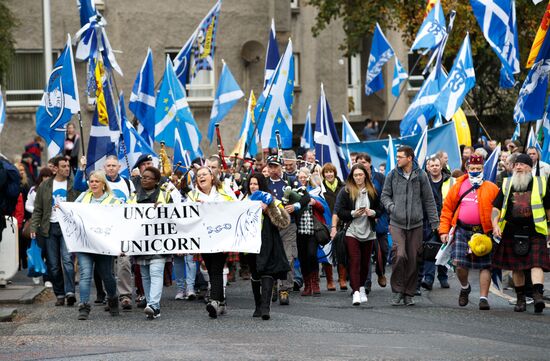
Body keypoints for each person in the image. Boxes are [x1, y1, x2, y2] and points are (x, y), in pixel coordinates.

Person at [492, 154, 550, 314]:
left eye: (522, 165)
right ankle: (520, 299)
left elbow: (548, 208)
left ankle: (538, 296)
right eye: (516, 164)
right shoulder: (507, 184)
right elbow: (496, 207)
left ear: (530, 168)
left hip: (535, 230)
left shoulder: (540, 183)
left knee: (536, 264)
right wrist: (495, 224)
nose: (518, 167)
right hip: (511, 230)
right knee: (516, 268)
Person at [439, 154, 499, 310]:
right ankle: (465, 287)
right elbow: (447, 209)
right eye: (472, 168)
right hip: (461, 230)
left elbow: (499, 210)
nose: (475, 171)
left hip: (483, 232)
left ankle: (483, 298)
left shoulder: (492, 188)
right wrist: (443, 231)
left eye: (478, 168)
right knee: (459, 265)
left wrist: (497, 228)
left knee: (485, 266)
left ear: (483, 169)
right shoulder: (458, 186)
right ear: (467, 168)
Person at [381, 146, 438, 306]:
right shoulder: (392, 175)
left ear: (409, 158)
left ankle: (409, 293)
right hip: (397, 223)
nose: (397, 159)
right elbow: (384, 195)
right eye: (397, 156)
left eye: (400, 156)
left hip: (416, 224)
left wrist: (435, 223)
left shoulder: (421, 175)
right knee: (399, 256)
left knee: (413, 259)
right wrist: (392, 207)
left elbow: (428, 200)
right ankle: (398, 291)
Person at [30, 156, 80, 306]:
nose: (67, 168)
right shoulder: (45, 186)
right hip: (49, 227)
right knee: (53, 263)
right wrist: (34, 226)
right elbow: (38, 209)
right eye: (63, 166)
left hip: (67, 227)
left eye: (68, 166)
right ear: (56, 169)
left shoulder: (73, 184)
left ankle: (70, 291)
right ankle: (59, 294)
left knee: (67, 260)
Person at [187, 166, 235, 318]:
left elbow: (235, 206)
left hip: (222, 235)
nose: (200, 177)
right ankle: (220, 302)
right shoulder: (192, 195)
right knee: (210, 267)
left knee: (217, 267)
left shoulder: (224, 191)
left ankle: (214, 301)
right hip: (204, 238)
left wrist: (211, 205)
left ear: (212, 177)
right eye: (198, 175)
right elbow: (185, 213)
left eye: (204, 174)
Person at [242, 173, 290, 319]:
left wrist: (268, 208)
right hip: (250, 243)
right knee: (255, 273)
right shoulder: (244, 201)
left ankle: (265, 308)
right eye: (251, 184)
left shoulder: (272, 200)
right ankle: (257, 305)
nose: (253, 187)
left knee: (267, 271)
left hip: (268, 242)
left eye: (256, 184)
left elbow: (283, 221)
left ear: (261, 185)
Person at [74, 170, 120, 320]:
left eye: (96, 181)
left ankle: (113, 299)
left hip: (103, 245)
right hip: (85, 244)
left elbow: (122, 220)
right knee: (85, 275)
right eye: (91, 181)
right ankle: (84, 306)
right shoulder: (83, 197)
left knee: (107, 275)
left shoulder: (113, 201)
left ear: (103, 184)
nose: (93, 184)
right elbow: (71, 212)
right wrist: (60, 209)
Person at [127, 166, 172, 320]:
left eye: (148, 177)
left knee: (156, 272)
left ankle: (153, 305)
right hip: (141, 241)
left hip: (159, 241)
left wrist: (163, 209)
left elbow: (175, 214)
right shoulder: (134, 196)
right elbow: (126, 214)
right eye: (142, 177)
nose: (144, 179)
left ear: (157, 181)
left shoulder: (165, 195)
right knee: (145, 274)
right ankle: (152, 305)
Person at [266, 155, 310, 304]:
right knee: (270, 257)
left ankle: (285, 289)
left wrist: (295, 206)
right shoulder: (264, 184)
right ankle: (271, 285)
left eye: (276, 166)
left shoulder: (290, 181)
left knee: (288, 256)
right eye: (270, 167)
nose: (273, 170)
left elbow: (305, 197)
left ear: (281, 167)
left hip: (288, 225)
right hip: (269, 226)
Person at [336, 164, 381, 305]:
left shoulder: (372, 191)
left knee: (365, 262)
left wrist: (373, 213)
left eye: (360, 175)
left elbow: (380, 209)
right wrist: (352, 213)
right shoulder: (346, 191)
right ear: (352, 177)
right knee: (354, 260)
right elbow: (340, 211)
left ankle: (361, 287)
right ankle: (355, 291)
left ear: (365, 176)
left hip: (368, 231)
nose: (358, 178)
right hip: (352, 230)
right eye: (355, 175)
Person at [419, 156, 452, 291]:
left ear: (441, 166)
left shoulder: (449, 181)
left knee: (443, 248)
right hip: (428, 220)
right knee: (430, 248)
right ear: (427, 167)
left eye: (437, 165)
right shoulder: (423, 181)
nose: (434, 168)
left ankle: (443, 277)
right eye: (431, 165)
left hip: (445, 219)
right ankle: (429, 278)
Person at [296, 167, 325, 296]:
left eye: (304, 177)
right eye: (300, 177)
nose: (302, 179)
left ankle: (315, 282)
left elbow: (323, 208)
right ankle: (307, 285)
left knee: (312, 255)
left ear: (308, 178)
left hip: (312, 229)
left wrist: (314, 202)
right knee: (302, 258)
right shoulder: (294, 191)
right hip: (299, 230)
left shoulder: (314, 191)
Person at [25, 167, 54, 287]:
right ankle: (36, 273)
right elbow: (28, 205)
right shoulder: (33, 190)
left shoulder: (54, 189)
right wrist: (39, 211)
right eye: (44, 176)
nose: (46, 178)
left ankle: (47, 278)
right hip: (38, 225)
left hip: (51, 224)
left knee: (49, 253)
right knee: (39, 251)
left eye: (48, 176)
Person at [320, 163, 345, 291]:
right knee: (327, 251)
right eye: (326, 172)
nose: (329, 174)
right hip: (326, 224)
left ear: (335, 173)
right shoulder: (320, 189)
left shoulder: (343, 187)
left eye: (331, 172)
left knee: (341, 251)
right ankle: (330, 281)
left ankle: (342, 279)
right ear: (323, 174)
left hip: (341, 223)